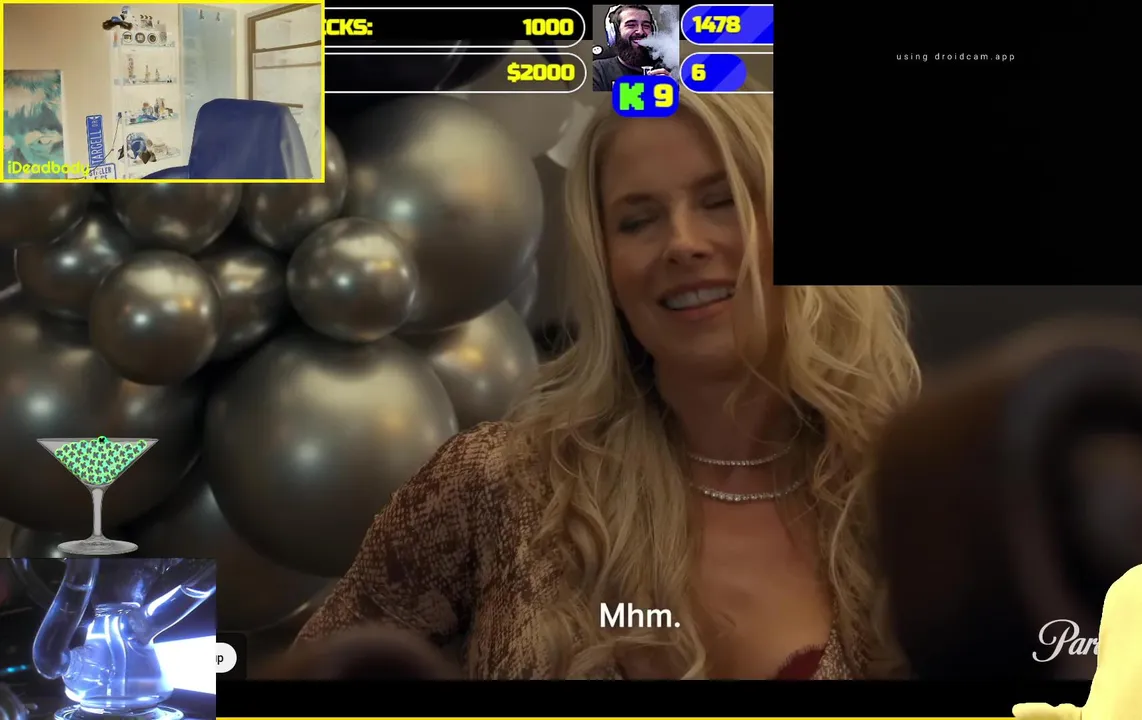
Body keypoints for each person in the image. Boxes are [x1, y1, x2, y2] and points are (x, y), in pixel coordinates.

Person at [294, 83, 923, 679]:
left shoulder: (908, 498)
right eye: (638, 220)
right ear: (607, 270)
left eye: (721, 200)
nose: (682, 244)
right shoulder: (503, 484)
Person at [592, 4, 672, 91]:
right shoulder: (597, 71)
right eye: (631, 25)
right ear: (614, 33)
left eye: (646, 26)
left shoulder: (670, 68)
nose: (640, 32)